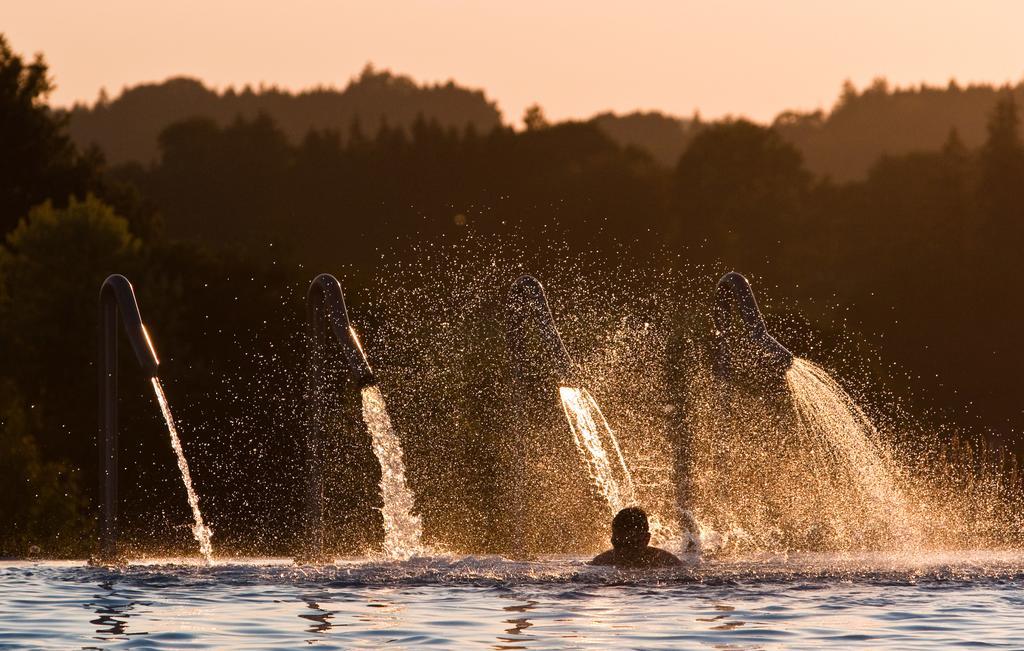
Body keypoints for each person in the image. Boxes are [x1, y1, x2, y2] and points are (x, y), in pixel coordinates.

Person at [590, 507, 683, 568]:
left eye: (629, 545)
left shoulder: (666, 562)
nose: (622, 552)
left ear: (646, 539)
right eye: (617, 544)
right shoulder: (602, 562)